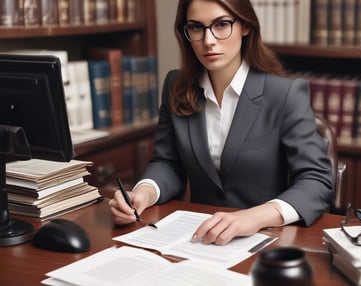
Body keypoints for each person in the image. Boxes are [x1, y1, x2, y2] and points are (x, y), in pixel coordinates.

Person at [109, 0, 333, 245]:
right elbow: (168, 162)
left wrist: (255, 217)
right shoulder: (175, 86)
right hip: (195, 238)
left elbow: (316, 179)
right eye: (196, 27)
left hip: (264, 240)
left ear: (245, 26)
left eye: (222, 24)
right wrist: (144, 193)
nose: (208, 41)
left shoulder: (284, 93)